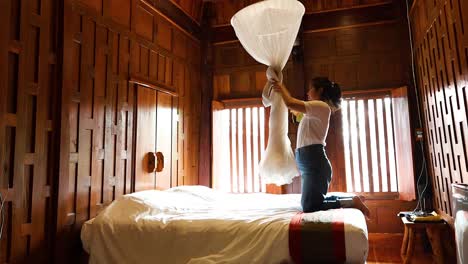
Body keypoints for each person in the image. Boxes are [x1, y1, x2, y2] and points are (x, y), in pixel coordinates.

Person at [271, 77, 370, 217]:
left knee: (309, 206)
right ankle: (352, 200)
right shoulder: (315, 109)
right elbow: (293, 109)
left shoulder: (321, 106)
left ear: (320, 90)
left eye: (311, 88)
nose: (308, 92)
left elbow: (290, 103)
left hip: (314, 163)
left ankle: (352, 202)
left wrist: (281, 87)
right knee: (312, 202)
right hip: (310, 163)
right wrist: (279, 96)